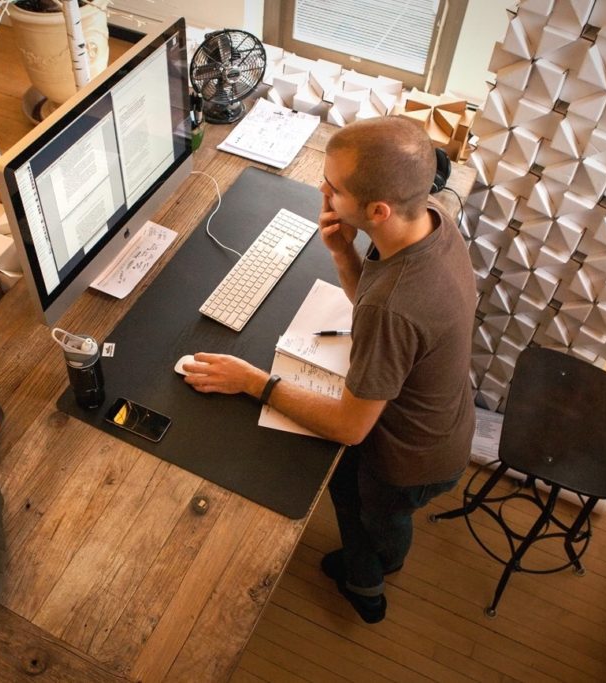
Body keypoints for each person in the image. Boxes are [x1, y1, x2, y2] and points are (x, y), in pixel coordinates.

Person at [182, 115, 476, 623]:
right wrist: (343, 254)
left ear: (378, 210)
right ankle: (388, 552)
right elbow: (382, 306)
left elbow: (350, 426)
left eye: (334, 188)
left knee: (360, 504)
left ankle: (368, 583)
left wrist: (251, 381)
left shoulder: (395, 305)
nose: (322, 190)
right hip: (445, 422)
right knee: (369, 503)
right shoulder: (431, 220)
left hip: (409, 462)